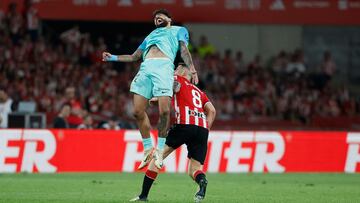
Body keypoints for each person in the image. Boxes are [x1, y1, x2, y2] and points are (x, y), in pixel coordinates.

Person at [102, 9, 198, 170]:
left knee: (164, 112)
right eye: (154, 18)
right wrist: (112, 57)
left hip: (164, 67)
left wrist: (192, 69)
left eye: (160, 16)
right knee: (137, 112)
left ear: (169, 19)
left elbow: (183, 49)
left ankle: (160, 150)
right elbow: (134, 57)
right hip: (145, 68)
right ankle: (148, 149)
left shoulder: (179, 30)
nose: (156, 19)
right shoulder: (150, 36)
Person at [130, 64, 216, 202]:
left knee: (158, 157)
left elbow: (174, 87)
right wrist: (206, 129)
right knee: (194, 170)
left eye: (177, 68)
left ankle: (143, 195)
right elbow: (212, 111)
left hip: (184, 125)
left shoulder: (176, 78)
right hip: (202, 129)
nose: (175, 70)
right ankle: (202, 182)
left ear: (183, 71)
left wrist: (157, 98)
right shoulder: (199, 92)